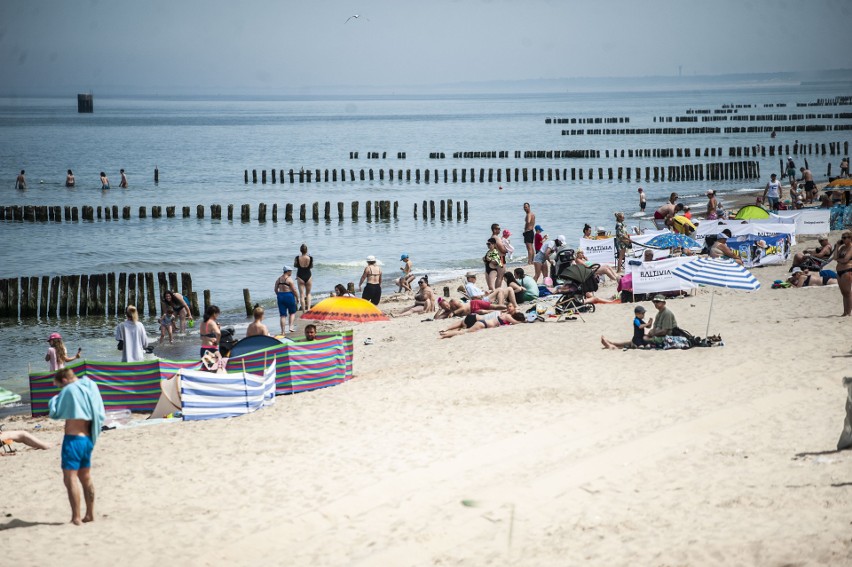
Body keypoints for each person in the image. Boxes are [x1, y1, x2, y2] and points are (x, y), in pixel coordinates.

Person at [49, 367, 105, 525]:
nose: (61, 389)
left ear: (65, 381)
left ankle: (76, 518)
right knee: (85, 477)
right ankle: (90, 514)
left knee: (70, 478)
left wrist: (54, 398)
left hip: (73, 440)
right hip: (87, 439)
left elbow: (55, 412)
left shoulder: (70, 390)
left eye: (60, 386)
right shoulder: (89, 387)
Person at [274, 266, 300, 334]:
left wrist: (278, 295)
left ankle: (282, 331)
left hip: (280, 296)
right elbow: (294, 290)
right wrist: (297, 297)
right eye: (290, 271)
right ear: (287, 271)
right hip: (289, 295)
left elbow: (275, 289)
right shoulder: (289, 279)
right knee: (292, 313)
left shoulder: (278, 279)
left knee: (282, 315)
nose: (291, 272)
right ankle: (291, 327)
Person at [832, 231, 852, 317]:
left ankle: (849, 312)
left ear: (850, 238)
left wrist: (838, 260)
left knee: (848, 292)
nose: (843, 239)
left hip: (847, 270)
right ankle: (845, 312)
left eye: (845, 238)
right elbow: (835, 257)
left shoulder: (851, 248)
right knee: (843, 293)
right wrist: (837, 246)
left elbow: (845, 260)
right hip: (839, 271)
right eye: (842, 238)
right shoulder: (842, 248)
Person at [485, 223, 508, 291]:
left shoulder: (492, 238)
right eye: (498, 229)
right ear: (494, 230)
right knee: (500, 277)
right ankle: (498, 292)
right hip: (500, 258)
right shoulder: (496, 238)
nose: (500, 230)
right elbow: (503, 250)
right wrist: (507, 249)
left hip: (496, 258)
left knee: (499, 276)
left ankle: (496, 291)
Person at [294, 243, 313, 310]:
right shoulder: (310, 258)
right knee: (308, 294)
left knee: (302, 295)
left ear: (300, 250)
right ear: (306, 250)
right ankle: (308, 309)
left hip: (300, 276)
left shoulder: (297, 258)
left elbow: (295, 266)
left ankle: (303, 310)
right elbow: (311, 267)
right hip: (308, 275)